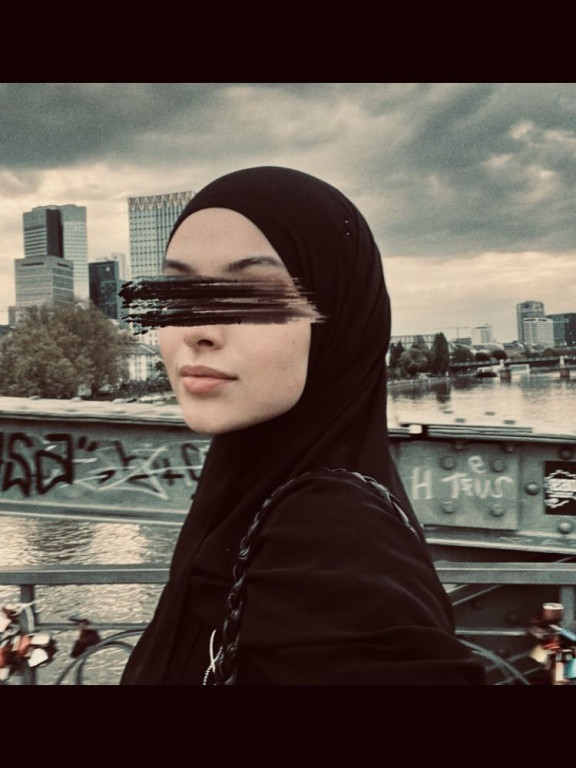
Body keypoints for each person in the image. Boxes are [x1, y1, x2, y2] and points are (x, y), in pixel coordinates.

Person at [120, 166, 485, 685]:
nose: (199, 327)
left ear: (339, 322)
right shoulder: (254, 500)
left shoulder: (333, 540)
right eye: (179, 289)